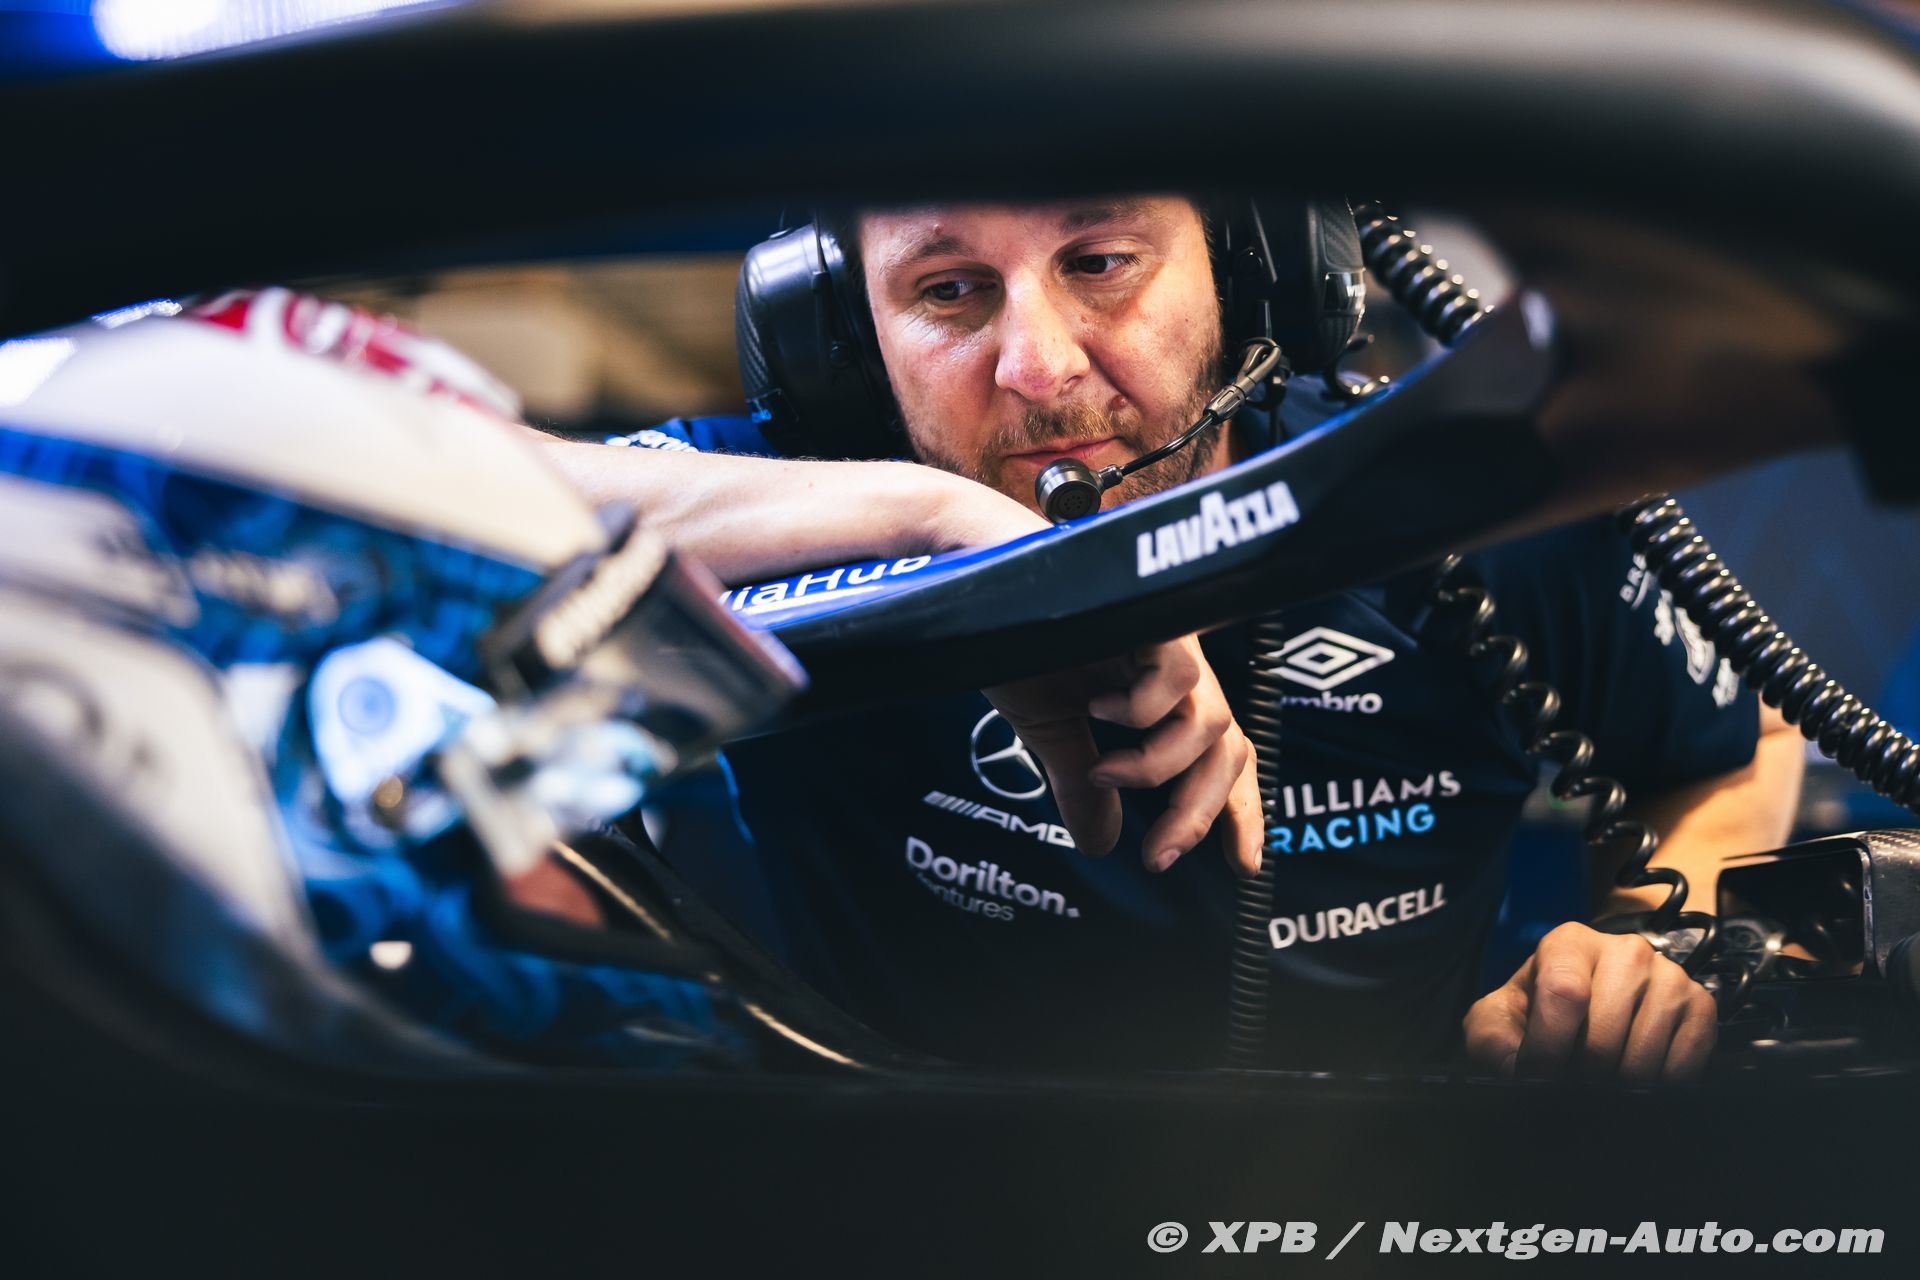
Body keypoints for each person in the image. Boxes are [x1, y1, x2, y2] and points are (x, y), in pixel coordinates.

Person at [530, 196, 1803, 1078]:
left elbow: (1740, 742)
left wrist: (1653, 953)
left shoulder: (1456, 505)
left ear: (1249, 270)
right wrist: (940, 528)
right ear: (844, 331)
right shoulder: (777, 505)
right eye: (949, 289)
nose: (1037, 366)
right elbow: (430, 487)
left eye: (1099, 261)